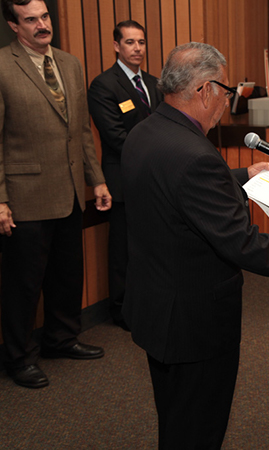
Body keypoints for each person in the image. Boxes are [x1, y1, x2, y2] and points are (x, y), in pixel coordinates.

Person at [121, 42, 269, 449]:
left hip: (156, 310)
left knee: (175, 420)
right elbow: (243, 244)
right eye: (225, 90)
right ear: (204, 89)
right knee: (199, 430)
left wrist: (240, 174)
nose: (226, 100)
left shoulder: (144, 134)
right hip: (195, 325)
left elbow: (176, 192)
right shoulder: (195, 156)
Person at [0, 0, 112, 389]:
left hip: (68, 192)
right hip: (24, 195)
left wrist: (95, 179)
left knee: (66, 274)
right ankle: (17, 358)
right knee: (23, 284)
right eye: (31, 20)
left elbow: (81, 129)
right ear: (14, 26)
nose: (42, 25)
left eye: (45, 17)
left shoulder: (69, 63)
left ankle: (61, 339)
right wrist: (0, 199)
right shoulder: (2, 66)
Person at [88, 20, 163, 330]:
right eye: (130, 42)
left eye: (141, 42)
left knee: (151, 246)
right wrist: (158, 152)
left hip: (154, 179)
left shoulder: (155, 82)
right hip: (122, 179)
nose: (137, 48)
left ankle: (148, 303)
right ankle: (121, 310)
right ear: (117, 46)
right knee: (123, 251)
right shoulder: (104, 85)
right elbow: (115, 136)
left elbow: (163, 125)